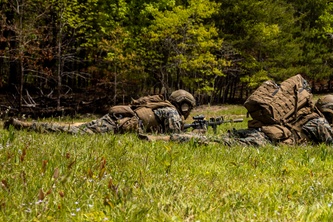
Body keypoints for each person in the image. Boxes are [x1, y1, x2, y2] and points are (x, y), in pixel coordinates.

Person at [169, 92, 333, 148]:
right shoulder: (319, 122)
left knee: (224, 139)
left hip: (261, 131)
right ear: (332, 113)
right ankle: (180, 138)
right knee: (223, 144)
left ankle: (176, 137)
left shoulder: (304, 112)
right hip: (268, 140)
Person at [7, 90, 196, 135]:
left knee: (74, 128)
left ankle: (27, 125)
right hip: (117, 124)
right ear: (185, 106)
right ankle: (24, 125)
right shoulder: (171, 112)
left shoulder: (162, 105)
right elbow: (175, 138)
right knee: (72, 132)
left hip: (119, 119)